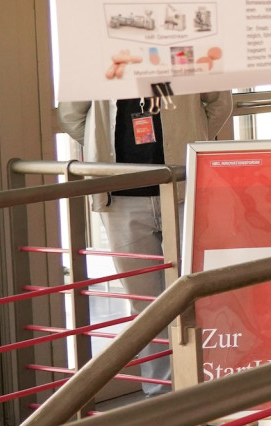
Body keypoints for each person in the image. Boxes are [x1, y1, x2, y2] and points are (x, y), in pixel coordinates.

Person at [56, 91, 234, 394]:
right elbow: (71, 116)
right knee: (146, 305)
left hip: (182, 187)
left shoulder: (181, 51)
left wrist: (191, 137)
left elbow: (218, 104)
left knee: (196, 294)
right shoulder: (98, 57)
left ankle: (206, 395)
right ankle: (161, 398)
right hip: (120, 194)